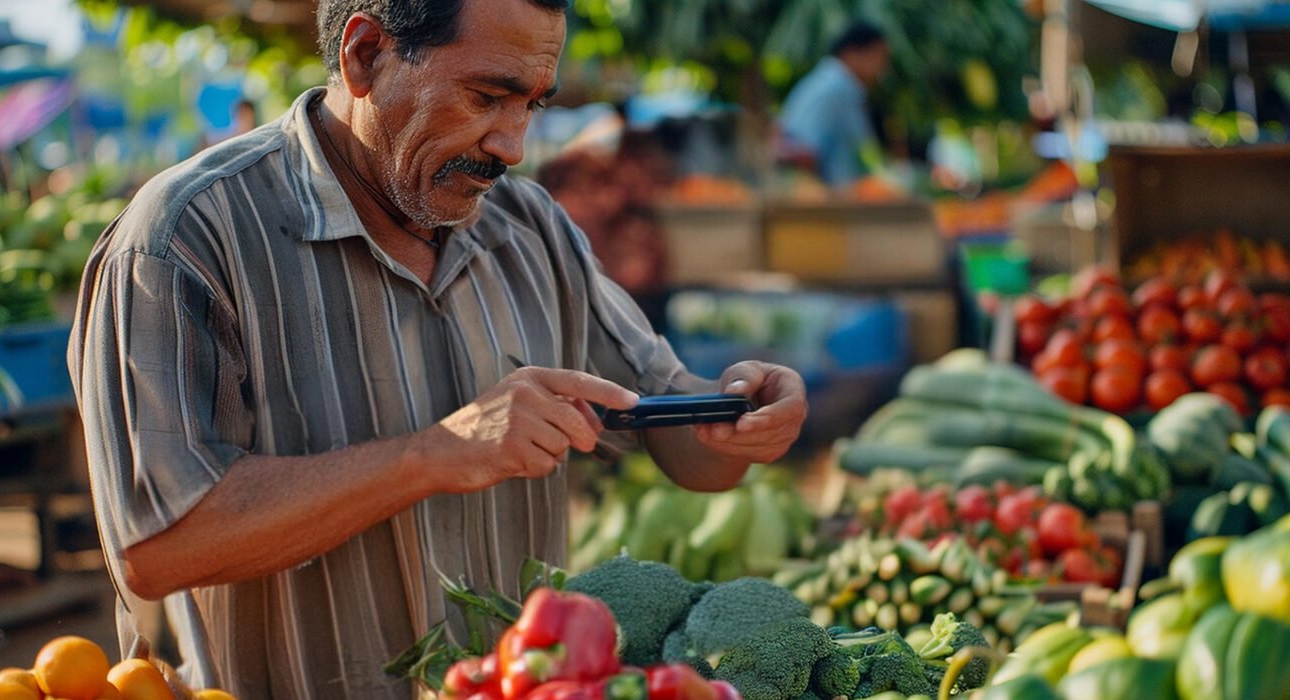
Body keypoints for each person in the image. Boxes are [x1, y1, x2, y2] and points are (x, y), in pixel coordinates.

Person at [66, 0, 808, 697]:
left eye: (532, 105)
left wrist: (736, 418)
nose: (512, 146)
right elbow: (159, 545)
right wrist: (433, 453)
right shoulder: (182, 241)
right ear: (364, 54)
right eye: (487, 97)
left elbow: (679, 438)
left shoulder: (528, 225)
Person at [778, 22, 892, 188]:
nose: (884, 68)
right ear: (851, 53)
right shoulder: (841, 87)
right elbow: (806, 152)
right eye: (880, 57)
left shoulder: (823, 80)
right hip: (825, 199)